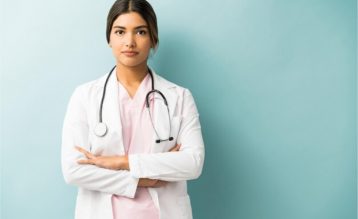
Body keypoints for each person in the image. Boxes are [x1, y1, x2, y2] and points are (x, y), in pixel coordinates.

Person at [61, 0, 205, 219]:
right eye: (120, 32)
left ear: (153, 39)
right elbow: (74, 170)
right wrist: (140, 179)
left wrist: (121, 161)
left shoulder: (179, 97)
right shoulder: (85, 96)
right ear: (109, 38)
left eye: (140, 32)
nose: (129, 42)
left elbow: (192, 163)